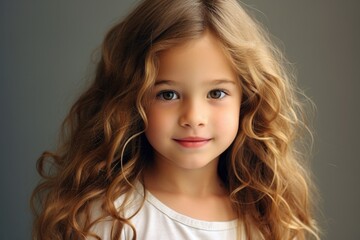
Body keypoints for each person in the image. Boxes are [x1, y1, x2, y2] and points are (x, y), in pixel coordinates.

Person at [31, 0, 320, 239]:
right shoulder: (105, 220)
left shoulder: (266, 216)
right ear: (132, 99)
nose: (194, 117)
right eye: (168, 95)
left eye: (216, 93)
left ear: (247, 99)